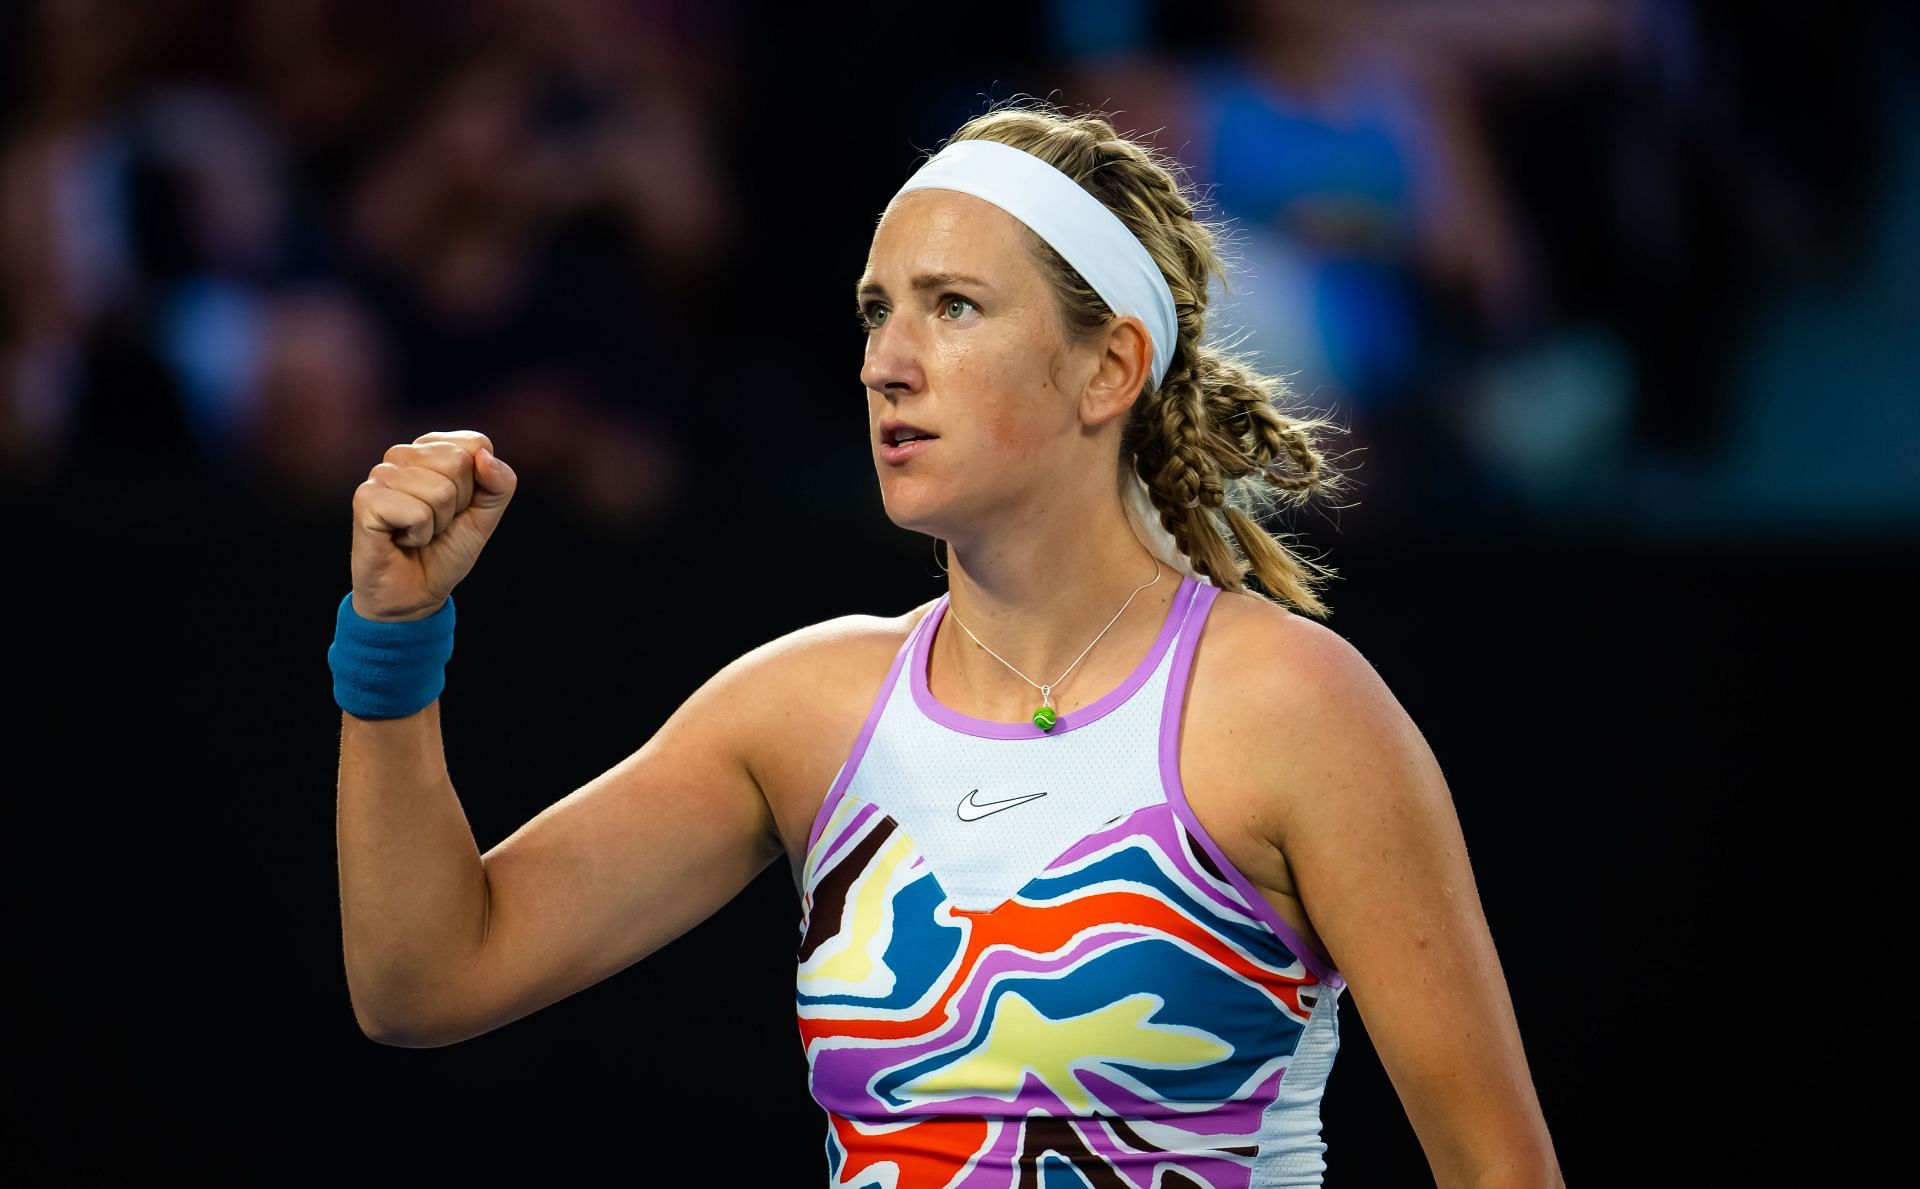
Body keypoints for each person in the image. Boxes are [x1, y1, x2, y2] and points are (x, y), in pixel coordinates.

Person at [333, 100, 1563, 1188]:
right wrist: (394, 638)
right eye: (878, 313)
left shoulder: (1294, 705)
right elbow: (426, 980)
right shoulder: (800, 708)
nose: (885, 364)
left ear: (1109, 369)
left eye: (954, 307)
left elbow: (1498, 1168)